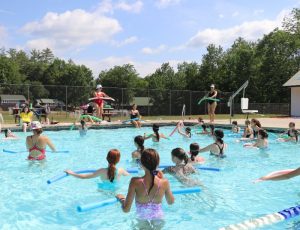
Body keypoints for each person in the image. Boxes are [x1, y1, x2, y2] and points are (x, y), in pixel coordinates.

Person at [116, 148, 174, 223]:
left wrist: (121, 199)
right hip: (159, 219)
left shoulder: (135, 181)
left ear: (141, 164)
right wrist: (162, 179)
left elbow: (126, 209)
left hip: (141, 219)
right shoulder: (164, 182)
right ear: (158, 163)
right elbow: (170, 202)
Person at [65, 149, 129, 188]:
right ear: (118, 160)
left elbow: (84, 177)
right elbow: (129, 176)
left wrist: (71, 173)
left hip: (103, 192)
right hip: (116, 191)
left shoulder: (101, 171)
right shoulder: (121, 170)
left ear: (106, 158)